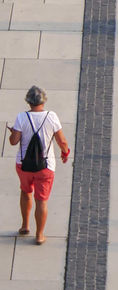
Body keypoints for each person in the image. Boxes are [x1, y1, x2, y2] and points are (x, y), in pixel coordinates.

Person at [8, 85, 69, 244]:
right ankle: (40, 235)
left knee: (25, 192)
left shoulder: (21, 117)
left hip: (23, 165)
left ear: (28, 101)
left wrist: (14, 132)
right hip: (45, 166)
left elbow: (13, 142)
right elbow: (61, 141)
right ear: (44, 100)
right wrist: (65, 153)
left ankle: (25, 225)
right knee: (41, 200)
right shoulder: (52, 116)